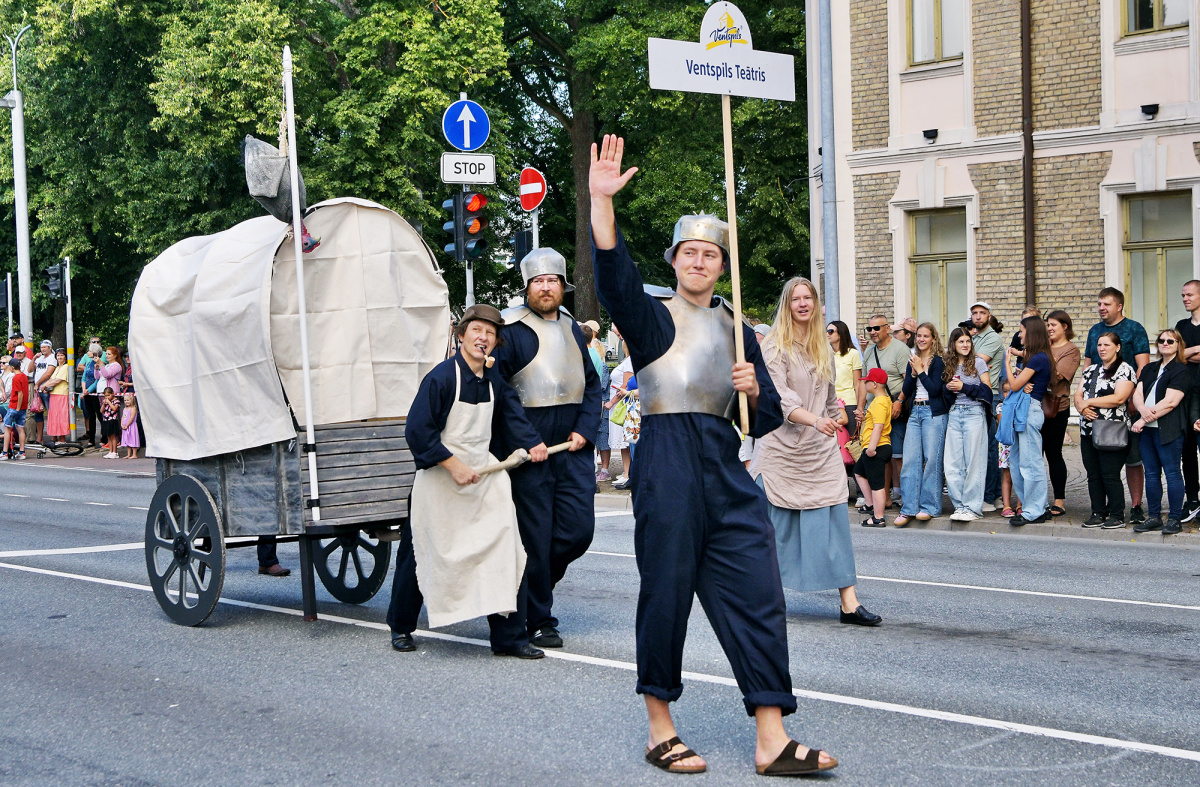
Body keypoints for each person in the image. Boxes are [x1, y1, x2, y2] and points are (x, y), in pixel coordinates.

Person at [591, 135, 835, 776]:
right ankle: (660, 726)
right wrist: (601, 202)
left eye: (710, 254)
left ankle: (772, 738)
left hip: (726, 466)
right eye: (689, 252)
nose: (699, 261)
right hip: (667, 461)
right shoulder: (651, 317)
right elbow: (614, 279)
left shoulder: (739, 328)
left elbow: (770, 416)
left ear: (723, 266)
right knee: (666, 592)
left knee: (759, 590)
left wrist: (753, 391)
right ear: (674, 261)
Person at [388, 304, 549, 657]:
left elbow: (513, 418)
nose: (483, 337)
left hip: (483, 479)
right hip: (440, 480)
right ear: (461, 336)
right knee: (420, 552)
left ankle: (510, 638)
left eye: (490, 333)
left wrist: (533, 443)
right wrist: (452, 464)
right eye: (476, 330)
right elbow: (418, 431)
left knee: (506, 549)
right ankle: (401, 625)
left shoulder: (494, 382)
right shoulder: (441, 378)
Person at [751, 277, 881, 626]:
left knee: (835, 524)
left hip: (819, 449)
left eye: (808, 297)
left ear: (816, 303)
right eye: (796, 299)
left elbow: (828, 396)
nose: (803, 303)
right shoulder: (773, 347)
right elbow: (780, 400)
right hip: (781, 450)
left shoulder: (823, 345)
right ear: (787, 305)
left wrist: (837, 416)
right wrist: (815, 420)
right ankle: (762, 597)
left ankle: (849, 603)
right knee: (773, 531)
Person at [494, 247, 603, 650]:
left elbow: (591, 385)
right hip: (530, 449)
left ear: (562, 286)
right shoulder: (510, 329)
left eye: (552, 280)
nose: (545, 287)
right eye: (538, 281)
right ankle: (540, 619)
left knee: (577, 532)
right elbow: (503, 392)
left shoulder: (573, 328)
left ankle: (531, 592)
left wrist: (584, 430)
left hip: (571, 446)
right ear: (527, 287)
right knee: (535, 539)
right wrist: (528, 439)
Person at [1084, 287, 1150, 525]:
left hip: (1126, 404)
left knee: (1133, 459)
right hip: (1096, 409)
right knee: (1098, 465)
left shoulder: (1134, 329)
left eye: (1107, 304)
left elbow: (1143, 366)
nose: (1101, 308)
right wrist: (1084, 400)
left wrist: (1134, 398)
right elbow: (1087, 365)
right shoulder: (1095, 331)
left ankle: (1135, 506)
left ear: (1119, 306)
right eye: (1099, 304)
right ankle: (1100, 510)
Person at [1130, 329, 1190, 535]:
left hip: (1168, 430)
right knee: (1151, 474)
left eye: (1170, 341)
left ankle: (1174, 519)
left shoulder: (1181, 370)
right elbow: (1137, 394)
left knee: (1172, 473)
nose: (1165, 343)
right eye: (1161, 340)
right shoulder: (1149, 368)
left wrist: (1144, 418)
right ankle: (1154, 516)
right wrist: (1143, 412)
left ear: (1178, 345)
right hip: (1147, 431)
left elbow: (1171, 402)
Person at [1075, 332, 1136, 529]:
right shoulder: (1090, 369)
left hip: (1112, 430)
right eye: (1099, 345)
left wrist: (1089, 402)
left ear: (1117, 347)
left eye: (1107, 345)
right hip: (1088, 430)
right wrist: (1081, 407)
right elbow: (1078, 395)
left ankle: (1117, 515)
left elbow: (1119, 398)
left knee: (1110, 474)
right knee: (1093, 474)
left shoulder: (1125, 369)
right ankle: (1098, 512)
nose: (1102, 348)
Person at [894, 322, 946, 526]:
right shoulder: (913, 359)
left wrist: (921, 372)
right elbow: (907, 388)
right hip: (915, 411)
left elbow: (934, 390)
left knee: (931, 460)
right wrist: (914, 373)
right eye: (919, 336)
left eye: (926, 336)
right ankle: (909, 507)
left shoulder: (938, 362)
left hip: (933, 412)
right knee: (910, 460)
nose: (922, 339)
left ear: (933, 339)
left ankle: (930, 507)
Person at [1003, 315, 1054, 525]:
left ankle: (1035, 510)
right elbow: (1019, 384)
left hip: (1030, 411)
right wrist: (1020, 378)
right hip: (1023, 411)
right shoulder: (1034, 358)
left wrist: (1008, 365)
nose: (1019, 335)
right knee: (1017, 462)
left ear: (1031, 333)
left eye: (1022, 330)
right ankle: (1033, 505)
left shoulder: (1038, 358)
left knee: (1030, 463)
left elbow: (1014, 385)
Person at [942, 328, 992, 521]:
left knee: (973, 462)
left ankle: (972, 508)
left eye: (968, 341)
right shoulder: (949, 364)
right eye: (961, 341)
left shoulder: (978, 363)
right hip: (954, 414)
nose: (965, 345)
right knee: (952, 463)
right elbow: (944, 394)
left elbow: (987, 391)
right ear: (953, 344)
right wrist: (948, 388)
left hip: (974, 413)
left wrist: (964, 387)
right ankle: (960, 506)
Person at [862, 314, 910, 509]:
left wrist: (899, 402)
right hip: (874, 410)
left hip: (895, 408)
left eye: (877, 328)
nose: (873, 332)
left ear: (887, 328)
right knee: (882, 455)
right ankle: (887, 496)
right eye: (870, 329)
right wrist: (861, 408)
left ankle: (905, 496)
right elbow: (863, 383)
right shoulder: (869, 352)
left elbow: (908, 379)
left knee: (898, 454)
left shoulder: (900, 349)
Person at [968, 302, 1006, 512]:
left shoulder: (992, 338)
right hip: (975, 395)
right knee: (984, 448)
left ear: (989, 316)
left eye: (982, 313)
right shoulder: (973, 338)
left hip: (990, 397)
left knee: (991, 449)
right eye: (974, 313)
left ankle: (989, 497)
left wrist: (970, 360)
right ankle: (995, 494)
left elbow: (971, 362)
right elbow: (965, 361)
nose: (978, 316)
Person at [1042, 311, 1080, 517]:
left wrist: (1039, 364)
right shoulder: (1043, 347)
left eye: (1053, 325)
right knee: (1033, 455)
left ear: (1065, 326)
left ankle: (1059, 500)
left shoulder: (1071, 350)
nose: (1049, 328)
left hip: (1056, 407)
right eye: (1047, 325)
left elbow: (1056, 378)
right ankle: (1036, 499)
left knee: (1053, 453)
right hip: (1035, 405)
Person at [1174, 279, 1200, 523]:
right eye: (1183, 295)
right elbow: (1176, 355)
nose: (1185, 299)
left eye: (1189, 295)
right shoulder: (1181, 326)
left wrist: (1185, 352)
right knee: (1187, 451)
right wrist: (1192, 351)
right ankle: (1192, 500)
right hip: (1184, 394)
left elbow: (1181, 353)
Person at [855, 368, 893, 527]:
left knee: (877, 485)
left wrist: (871, 449)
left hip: (876, 447)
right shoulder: (884, 400)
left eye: (867, 381)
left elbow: (878, 426)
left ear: (875, 384)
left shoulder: (879, 402)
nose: (865, 384)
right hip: (876, 445)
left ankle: (878, 517)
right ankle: (870, 504)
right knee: (858, 471)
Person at [828, 320, 864, 436]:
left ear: (840, 334)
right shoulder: (826, 354)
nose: (827, 334)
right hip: (831, 403)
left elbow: (857, 383)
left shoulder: (853, 353)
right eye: (826, 331)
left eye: (831, 331)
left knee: (854, 439)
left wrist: (859, 408)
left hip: (849, 401)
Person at [607, 349, 634, 488]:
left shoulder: (629, 361)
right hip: (622, 403)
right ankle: (627, 472)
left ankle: (628, 474)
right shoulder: (627, 360)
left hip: (622, 404)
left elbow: (625, 385)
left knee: (626, 441)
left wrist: (611, 402)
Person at [1, 357, 28, 460]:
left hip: (14, 406)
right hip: (23, 407)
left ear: (12, 367)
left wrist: (17, 408)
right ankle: (22, 452)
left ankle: (4, 452)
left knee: (7, 428)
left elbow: (20, 394)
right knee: (20, 428)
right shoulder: (24, 376)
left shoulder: (16, 378)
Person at [31, 340, 57, 444]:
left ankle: (54, 436)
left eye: (45, 347)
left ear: (50, 348)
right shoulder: (40, 358)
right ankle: (39, 438)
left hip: (47, 390)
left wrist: (37, 384)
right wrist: (34, 358)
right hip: (38, 390)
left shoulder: (53, 358)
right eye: (42, 347)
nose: (43, 349)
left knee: (51, 413)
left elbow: (48, 373)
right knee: (38, 413)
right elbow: (30, 369)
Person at [42, 349, 71, 443]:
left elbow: (58, 380)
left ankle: (62, 438)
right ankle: (54, 436)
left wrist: (44, 385)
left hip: (62, 394)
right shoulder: (58, 367)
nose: (59, 357)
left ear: (65, 357)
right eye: (58, 355)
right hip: (54, 394)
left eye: (62, 355)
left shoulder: (66, 367)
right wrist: (45, 386)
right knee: (54, 416)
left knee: (61, 416)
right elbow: (51, 379)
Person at [99, 389, 121, 458]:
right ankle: (110, 451)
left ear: (113, 393)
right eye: (105, 396)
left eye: (108, 395)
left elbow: (114, 409)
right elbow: (101, 411)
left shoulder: (116, 401)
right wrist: (103, 404)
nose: (107, 397)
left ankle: (115, 452)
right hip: (106, 420)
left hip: (112, 420)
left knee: (113, 437)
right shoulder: (106, 402)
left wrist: (109, 402)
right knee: (109, 437)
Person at [120, 392, 141, 459]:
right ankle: (129, 454)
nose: (126, 402)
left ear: (132, 400)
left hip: (131, 426)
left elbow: (131, 418)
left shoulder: (133, 408)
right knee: (127, 440)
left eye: (128, 400)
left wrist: (127, 425)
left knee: (133, 439)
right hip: (126, 427)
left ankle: (134, 454)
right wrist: (122, 424)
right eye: (125, 400)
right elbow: (123, 417)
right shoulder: (124, 409)